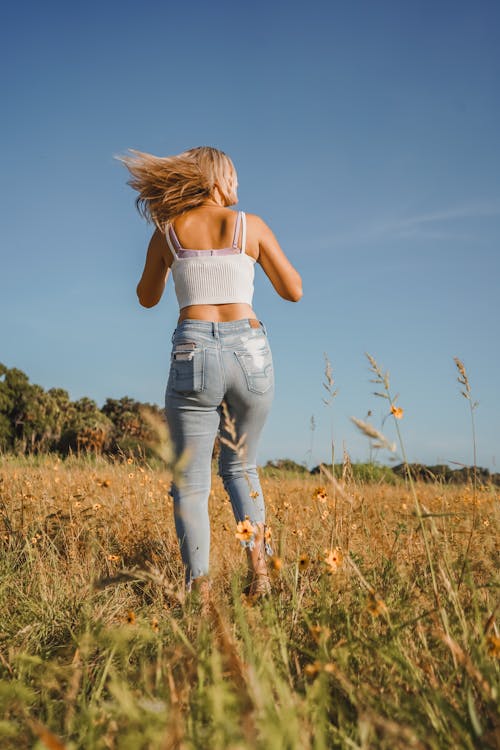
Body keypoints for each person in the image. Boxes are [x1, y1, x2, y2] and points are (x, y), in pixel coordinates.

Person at [117, 146, 302, 598]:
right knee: (242, 468)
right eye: (233, 176)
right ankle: (259, 574)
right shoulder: (249, 226)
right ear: (216, 180)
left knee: (192, 482)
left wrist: (168, 262)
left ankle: (199, 590)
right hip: (251, 353)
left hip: (194, 350)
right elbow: (293, 290)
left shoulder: (167, 233)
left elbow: (145, 297)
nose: (238, 185)